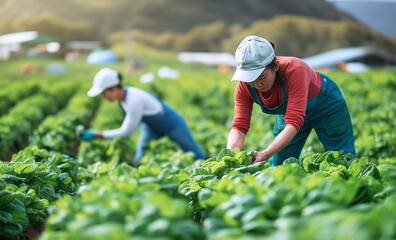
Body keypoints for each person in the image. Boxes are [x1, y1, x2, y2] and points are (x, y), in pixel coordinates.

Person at [227, 35, 356, 167]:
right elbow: (239, 125)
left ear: (276, 66)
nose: (256, 84)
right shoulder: (244, 86)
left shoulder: (296, 70)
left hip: (326, 107)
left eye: (261, 77)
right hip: (290, 112)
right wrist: (230, 156)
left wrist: (266, 153)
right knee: (279, 166)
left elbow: (294, 122)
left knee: (342, 160)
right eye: (250, 78)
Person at [78, 68, 206, 164]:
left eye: (104, 93)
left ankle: (210, 173)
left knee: (193, 151)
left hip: (171, 123)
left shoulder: (133, 99)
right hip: (151, 127)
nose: (104, 97)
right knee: (140, 158)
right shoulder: (122, 101)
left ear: (113, 88)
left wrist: (98, 135)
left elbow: (126, 132)